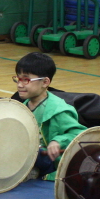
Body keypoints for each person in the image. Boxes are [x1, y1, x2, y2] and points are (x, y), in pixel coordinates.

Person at [14, 52, 86, 181]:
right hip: (29, 155)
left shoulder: (58, 110)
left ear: (45, 82)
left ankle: (31, 170)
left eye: (26, 79)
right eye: (18, 79)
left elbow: (80, 134)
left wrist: (58, 141)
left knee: (31, 153)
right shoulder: (23, 107)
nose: (19, 85)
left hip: (49, 161)